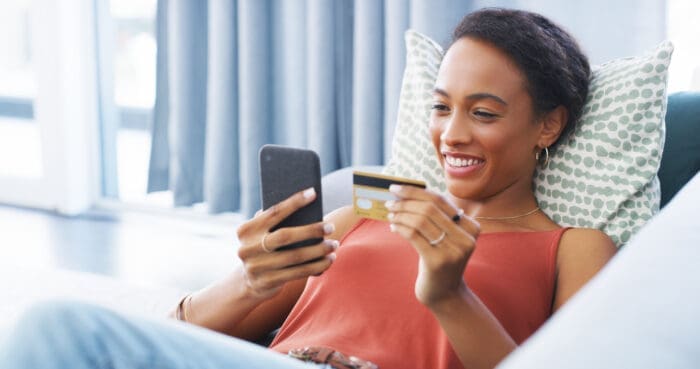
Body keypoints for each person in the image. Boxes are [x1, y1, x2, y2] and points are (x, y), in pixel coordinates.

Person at [0, 8, 617, 369]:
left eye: (483, 113)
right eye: (440, 106)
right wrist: (251, 281)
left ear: (549, 123)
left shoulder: (575, 247)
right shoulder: (366, 213)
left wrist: (449, 294)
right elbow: (187, 332)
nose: (451, 134)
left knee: (58, 325)